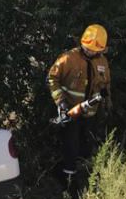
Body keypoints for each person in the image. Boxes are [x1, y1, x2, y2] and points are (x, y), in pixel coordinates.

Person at [47, 24, 112, 190]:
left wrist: (106, 103)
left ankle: (84, 181)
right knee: (71, 147)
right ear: (82, 43)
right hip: (71, 113)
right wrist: (60, 102)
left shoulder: (102, 62)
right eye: (88, 48)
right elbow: (52, 78)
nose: (90, 52)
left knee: (87, 148)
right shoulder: (69, 58)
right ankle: (69, 185)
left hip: (91, 114)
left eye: (94, 50)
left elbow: (106, 85)